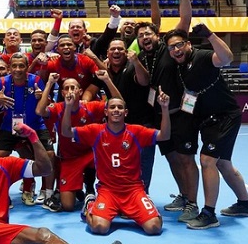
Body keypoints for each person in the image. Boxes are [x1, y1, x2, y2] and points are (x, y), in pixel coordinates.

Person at [164, 25, 248, 229]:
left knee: (207, 161)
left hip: (225, 116)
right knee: (223, 164)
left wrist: (210, 35)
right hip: (207, 119)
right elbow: (190, 97)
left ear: (188, 44)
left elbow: (226, 58)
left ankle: (208, 214)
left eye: (179, 45)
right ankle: (245, 204)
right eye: (171, 48)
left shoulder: (202, 56)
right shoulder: (180, 67)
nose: (176, 50)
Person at [62, 92, 171, 235]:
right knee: (99, 227)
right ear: (106, 111)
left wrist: (164, 108)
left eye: (120, 107)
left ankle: (141, 207)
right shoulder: (95, 131)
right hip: (108, 190)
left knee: (154, 228)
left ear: (125, 113)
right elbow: (66, 132)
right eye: (112, 107)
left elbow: (164, 135)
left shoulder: (136, 131)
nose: (116, 110)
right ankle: (90, 204)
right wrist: (68, 107)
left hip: (133, 190)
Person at [135, 0, 200, 223]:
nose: (145, 37)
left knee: (186, 159)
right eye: (141, 36)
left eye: (148, 34)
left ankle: (193, 203)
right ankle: (184, 196)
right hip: (161, 119)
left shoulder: (167, 49)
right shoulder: (143, 56)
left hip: (181, 114)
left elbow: (184, 21)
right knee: (173, 159)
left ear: (157, 35)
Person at [36, 72, 122, 213]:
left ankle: (90, 188)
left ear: (80, 91)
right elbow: (39, 111)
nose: (70, 91)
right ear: (62, 93)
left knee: (108, 153)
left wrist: (107, 80)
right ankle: (76, 189)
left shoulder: (91, 107)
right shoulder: (58, 108)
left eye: (73, 88)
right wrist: (49, 84)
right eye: (67, 88)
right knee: (68, 206)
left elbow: (118, 102)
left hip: (90, 154)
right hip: (69, 159)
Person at [82, 39, 155, 193]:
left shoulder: (133, 67)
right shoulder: (105, 71)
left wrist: (135, 62)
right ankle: (119, 194)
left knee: (143, 161)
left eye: (120, 49)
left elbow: (144, 81)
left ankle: (142, 193)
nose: (116, 52)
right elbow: (90, 90)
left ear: (126, 52)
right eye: (113, 49)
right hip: (118, 126)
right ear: (107, 53)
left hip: (141, 122)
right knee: (119, 161)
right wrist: (84, 103)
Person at [0, 52, 53, 206]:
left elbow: (48, 103)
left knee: (49, 155)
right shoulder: (2, 82)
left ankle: (48, 193)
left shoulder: (36, 80)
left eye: (21, 66)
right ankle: (1, 194)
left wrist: (42, 97)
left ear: (27, 67)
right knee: (0, 156)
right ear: (9, 68)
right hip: (10, 125)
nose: (18, 69)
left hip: (35, 124)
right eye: (14, 66)